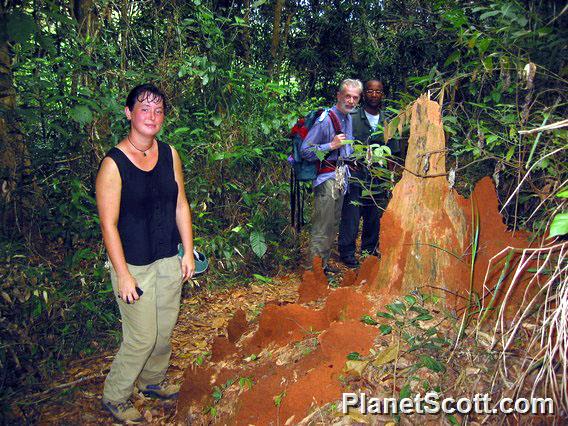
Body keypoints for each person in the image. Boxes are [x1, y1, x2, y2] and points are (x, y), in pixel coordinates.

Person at [96, 83, 195, 422]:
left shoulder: (169, 154)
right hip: (133, 264)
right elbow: (108, 224)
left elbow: (180, 202)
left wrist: (188, 251)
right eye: (144, 108)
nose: (152, 116)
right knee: (141, 337)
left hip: (168, 256)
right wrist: (122, 273)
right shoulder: (114, 164)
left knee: (164, 330)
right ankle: (116, 395)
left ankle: (152, 382)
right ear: (128, 113)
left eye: (159, 110)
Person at [301, 79, 363, 273]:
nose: (351, 101)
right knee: (323, 227)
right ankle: (314, 273)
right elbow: (306, 151)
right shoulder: (326, 119)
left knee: (332, 225)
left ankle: (323, 266)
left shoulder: (348, 118)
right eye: (347, 96)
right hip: (326, 179)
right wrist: (331, 145)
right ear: (339, 96)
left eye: (355, 97)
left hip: (340, 178)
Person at [338, 79, 396, 267]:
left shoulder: (389, 120)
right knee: (351, 217)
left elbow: (392, 152)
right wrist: (347, 162)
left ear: (382, 95)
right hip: (356, 176)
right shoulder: (352, 116)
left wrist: (390, 178)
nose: (374, 95)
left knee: (373, 218)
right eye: (370, 91)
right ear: (364, 95)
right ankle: (347, 254)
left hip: (378, 178)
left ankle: (368, 253)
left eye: (378, 92)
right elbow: (342, 143)